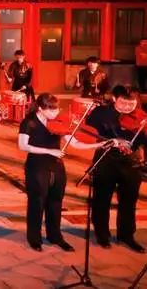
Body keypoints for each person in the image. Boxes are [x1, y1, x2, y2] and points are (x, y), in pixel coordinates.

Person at [17, 93, 106, 252]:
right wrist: (49, 151)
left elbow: (75, 143)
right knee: (37, 202)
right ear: (40, 108)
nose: (55, 113)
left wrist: (98, 145)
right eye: (51, 110)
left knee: (56, 202)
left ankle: (55, 236)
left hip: (56, 166)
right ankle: (34, 238)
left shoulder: (59, 123)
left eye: (57, 109)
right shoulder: (29, 122)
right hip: (37, 166)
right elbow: (23, 145)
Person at [86, 85, 146, 253]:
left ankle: (126, 235)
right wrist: (111, 141)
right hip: (106, 159)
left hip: (130, 161)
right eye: (123, 103)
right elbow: (89, 134)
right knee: (101, 199)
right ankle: (102, 234)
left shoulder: (141, 116)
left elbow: (144, 140)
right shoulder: (100, 113)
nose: (127, 107)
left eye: (131, 104)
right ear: (114, 98)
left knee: (129, 200)